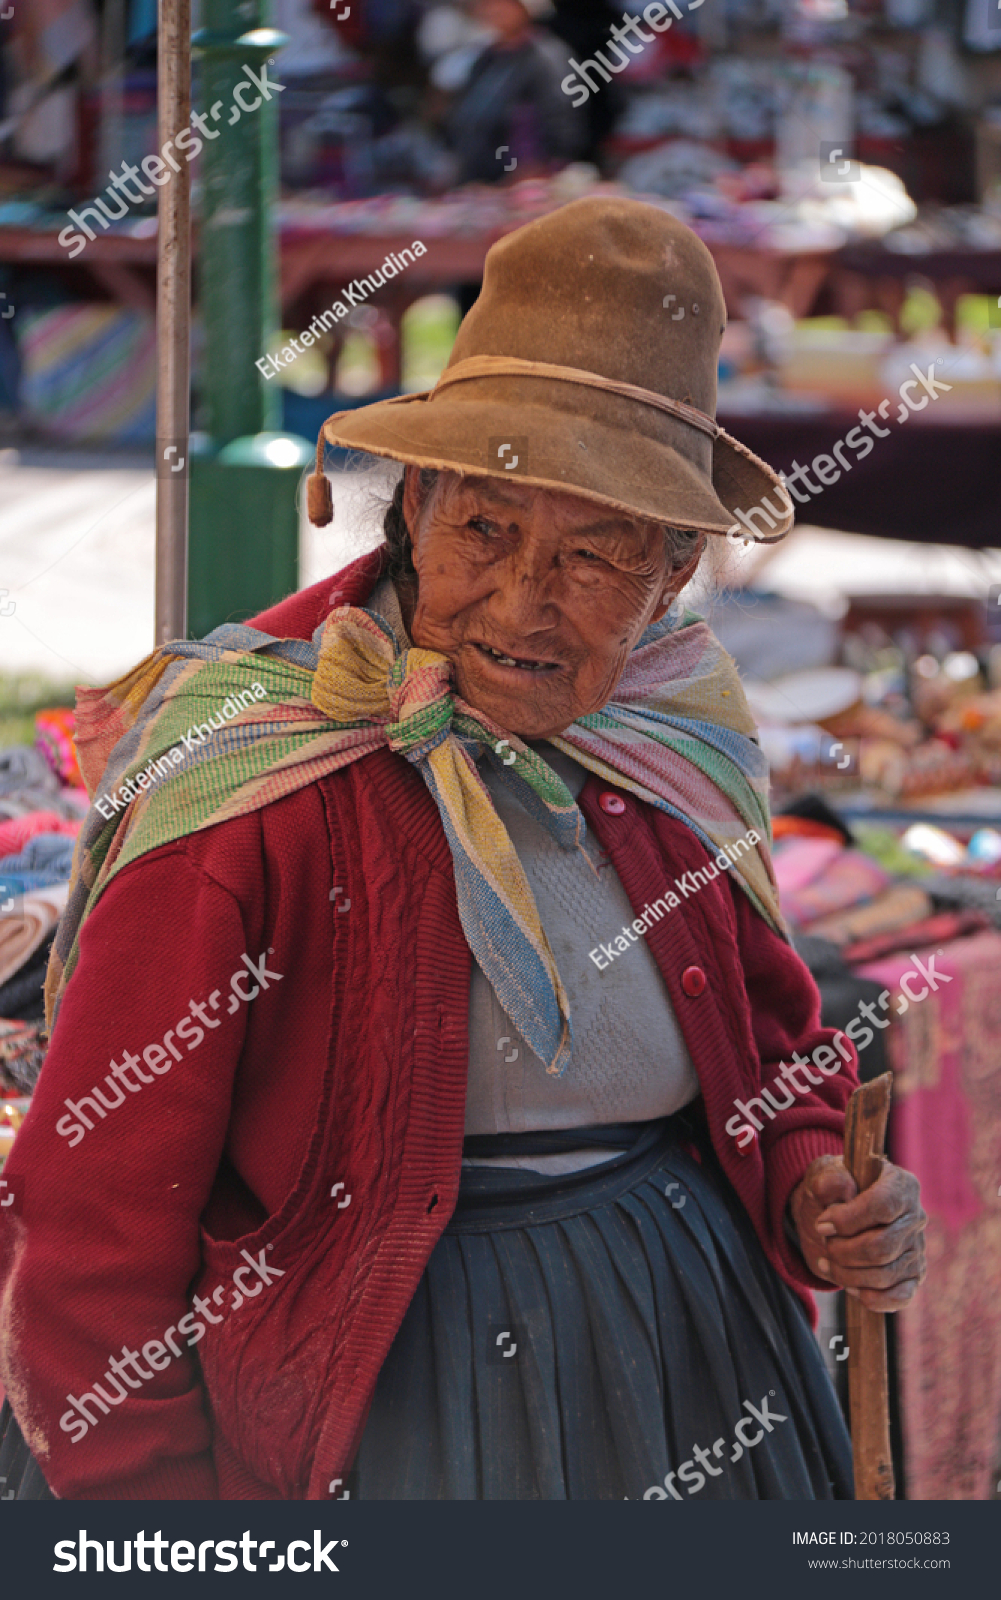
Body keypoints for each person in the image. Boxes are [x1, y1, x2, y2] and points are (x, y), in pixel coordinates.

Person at [0, 196, 926, 1501]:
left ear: (672, 577)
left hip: (693, 1356)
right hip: (390, 1404)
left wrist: (810, 1185)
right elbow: (93, 1212)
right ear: (412, 505)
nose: (522, 602)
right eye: (483, 529)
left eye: (594, 557)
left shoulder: (673, 735)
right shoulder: (248, 777)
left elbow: (773, 1058)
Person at [444, 0, 581, 183]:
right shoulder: (484, 58)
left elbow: (563, 122)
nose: (494, 10)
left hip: (523, 183)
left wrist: (540, 166)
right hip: (479, 178)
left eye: (504, 4)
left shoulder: (548, 57)